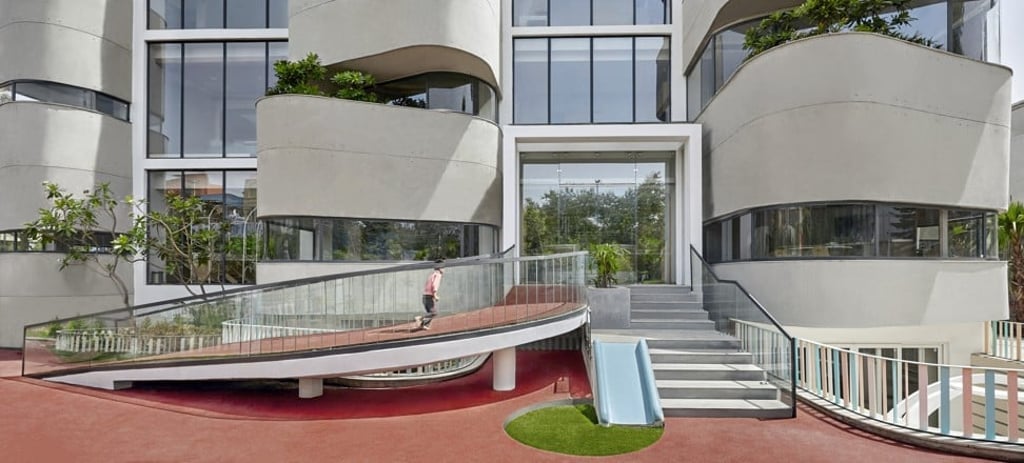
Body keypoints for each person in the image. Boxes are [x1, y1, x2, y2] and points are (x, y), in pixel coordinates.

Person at [416, 260, 444, 330]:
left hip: (425, 296)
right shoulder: (438, 275)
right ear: (440, 268)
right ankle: (420, 318)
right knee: (434, 313)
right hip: (429, 296)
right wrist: (435, 295)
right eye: (443, 267)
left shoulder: (431, 275)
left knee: (429, 313)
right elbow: (435, 285)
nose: (444, 270)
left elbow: (427, 285)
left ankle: (423, 325)